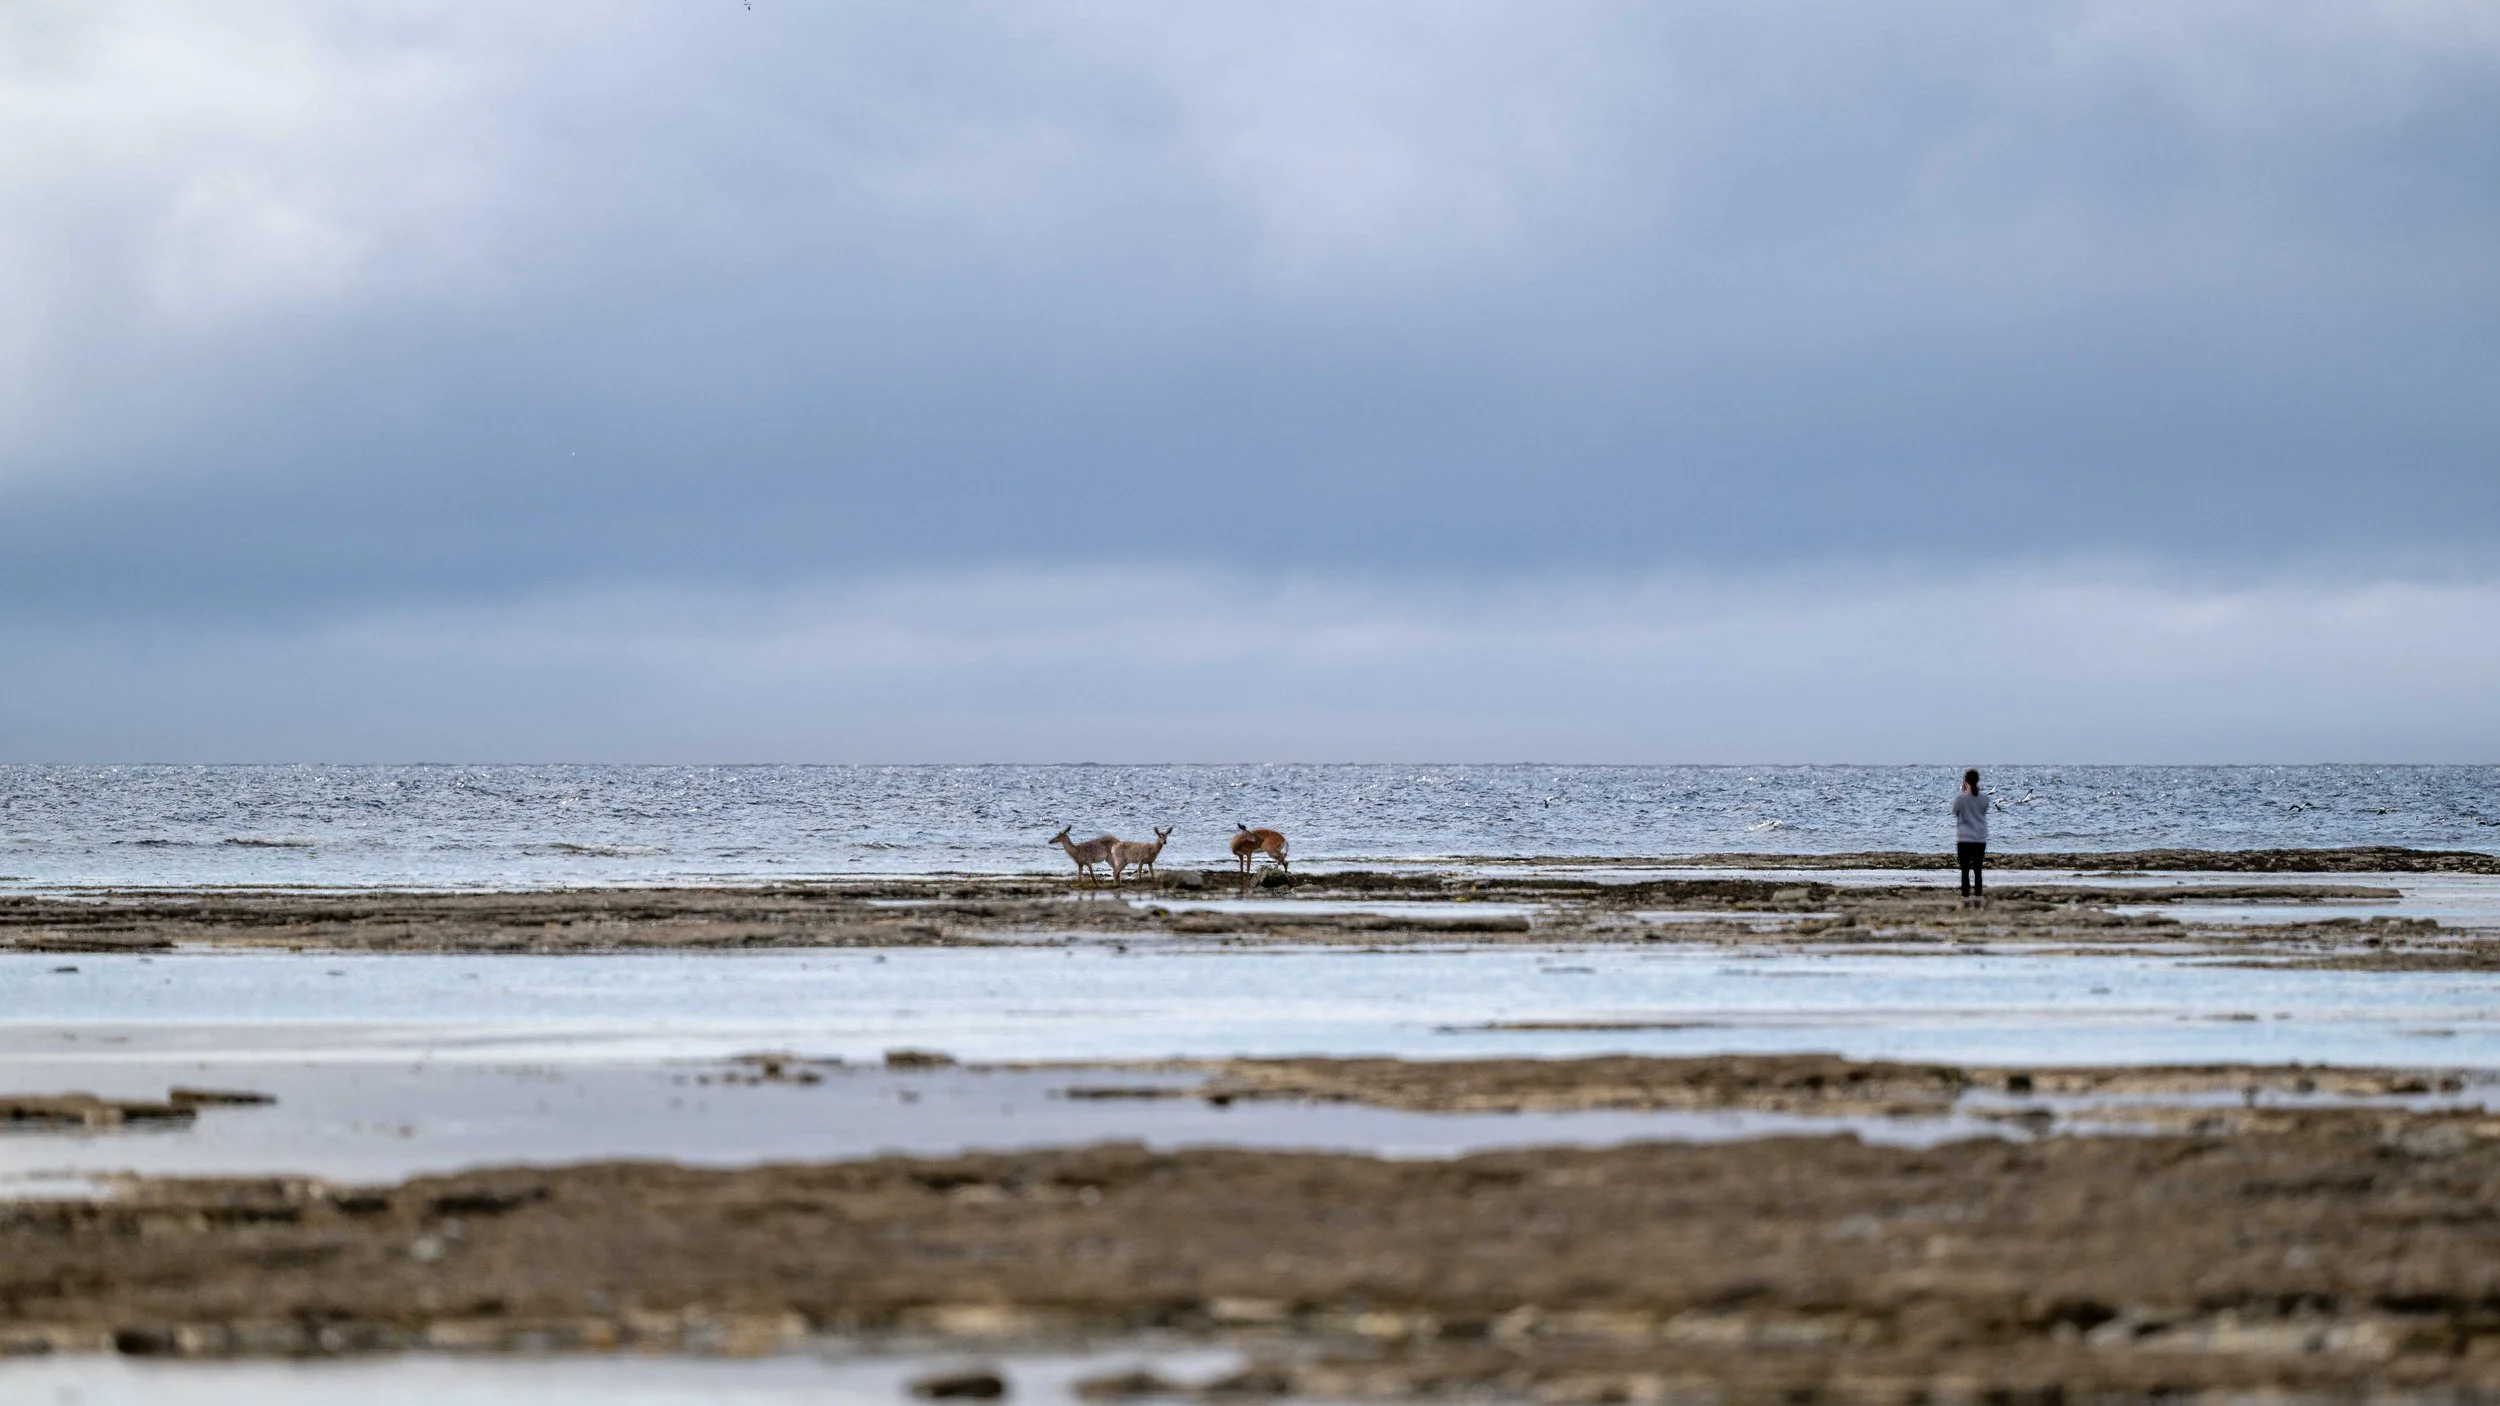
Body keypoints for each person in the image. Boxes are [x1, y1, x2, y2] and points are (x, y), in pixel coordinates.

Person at [1950, 769, 1989, 902]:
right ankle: (1978, 895)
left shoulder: (1960, 798)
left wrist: (1963, 791)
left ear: (1965, 781)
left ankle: (1965, 896)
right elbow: (1983, 811)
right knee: (1978, 869)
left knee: (1965, 870)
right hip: (1980, 837)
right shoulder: (1984, 797)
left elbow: (1955, 811)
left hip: (1964, 837)